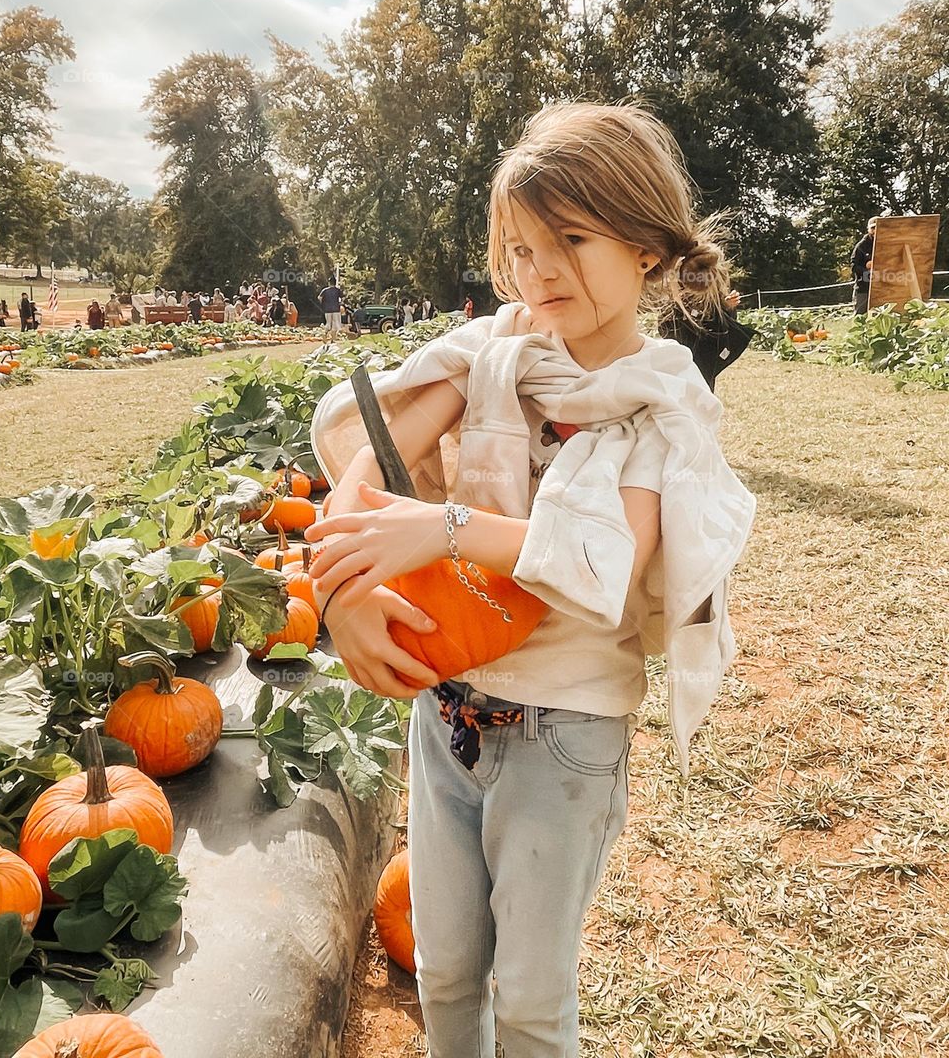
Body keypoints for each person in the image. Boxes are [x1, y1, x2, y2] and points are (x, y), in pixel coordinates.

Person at [304, 101, 757, 1058]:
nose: (538, 270)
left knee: (536, 1001)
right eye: (518, 247)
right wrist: (341, 591)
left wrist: (445, 528)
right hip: (448, 712)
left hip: (564, 738)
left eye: (570, 239)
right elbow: (369, 468)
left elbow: (601, 564)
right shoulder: (494, 355)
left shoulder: (660, 401)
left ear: (646, 247)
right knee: (447, 972)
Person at [656, 288, 756, 393]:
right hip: (680, 359)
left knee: (702, 394)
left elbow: (723, 327)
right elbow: (665, 327)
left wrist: (727, 308)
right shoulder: (673, 291)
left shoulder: (713, 290)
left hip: (705, 358)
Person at [851, 217, 878, 315]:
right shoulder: (861, 246)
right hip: (864, 287)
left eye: (878, 227)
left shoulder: (887, 243)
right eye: (873, 228)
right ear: (868, 229)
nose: (875, 230)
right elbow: (854, 267)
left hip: (883, 286)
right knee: (860, 317)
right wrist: (867, 269)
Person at [319, 276, 344, 342]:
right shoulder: (337, 290)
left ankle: (325, 334)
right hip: (336, 309)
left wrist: (323, 303)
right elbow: (342, 299)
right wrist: (340, 305)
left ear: (329, 283)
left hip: (327, 310)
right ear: (335, 283)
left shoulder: (325, 290)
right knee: (335, 325)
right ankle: (333, 339)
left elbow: (319, 298)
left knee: (328, 323)